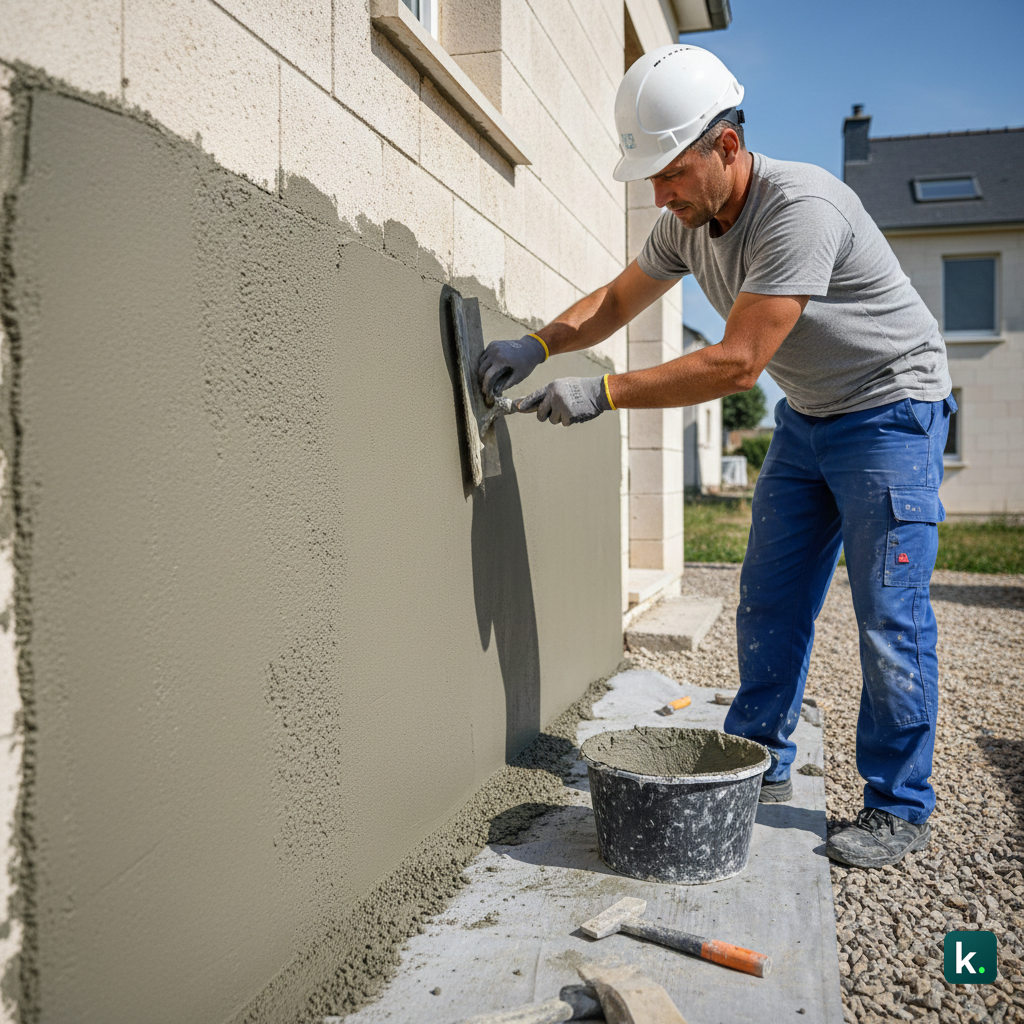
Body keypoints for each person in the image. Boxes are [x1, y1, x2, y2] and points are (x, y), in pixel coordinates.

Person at [478, 44, 954, 870]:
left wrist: (605, 394)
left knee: (889, 618)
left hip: (892, 411)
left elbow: (737, 363)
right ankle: (759, 758)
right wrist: (540, 343)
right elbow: (615, 302)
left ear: (726, 148)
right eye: (653, 178)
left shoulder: (800, 208)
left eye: (669, 172)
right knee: (768, 597)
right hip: (810, 418)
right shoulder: (688, 224)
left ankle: (899, 807)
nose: (659, 195)